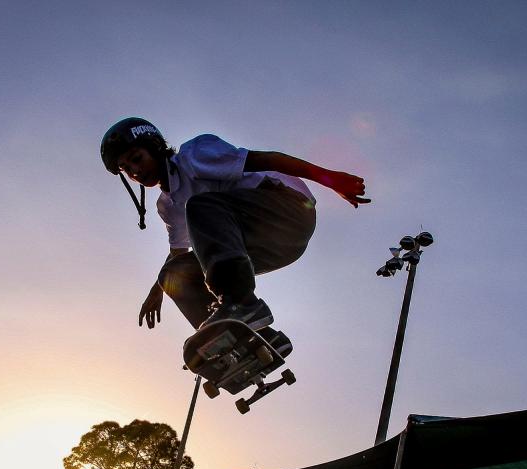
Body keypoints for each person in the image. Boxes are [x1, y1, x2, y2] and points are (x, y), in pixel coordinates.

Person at [100, 117, 370, 354]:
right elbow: (177, 255)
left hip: (288, 211)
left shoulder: (195, 155)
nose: (135, 171)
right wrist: (157, 291)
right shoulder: (168, 206)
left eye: (136, 158)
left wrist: (331, 179)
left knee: (201, 205)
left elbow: (269, 159)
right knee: (172, 274)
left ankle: (241, 304)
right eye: (126, 169)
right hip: (265, 246)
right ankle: (251, 343)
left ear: (155, 147)